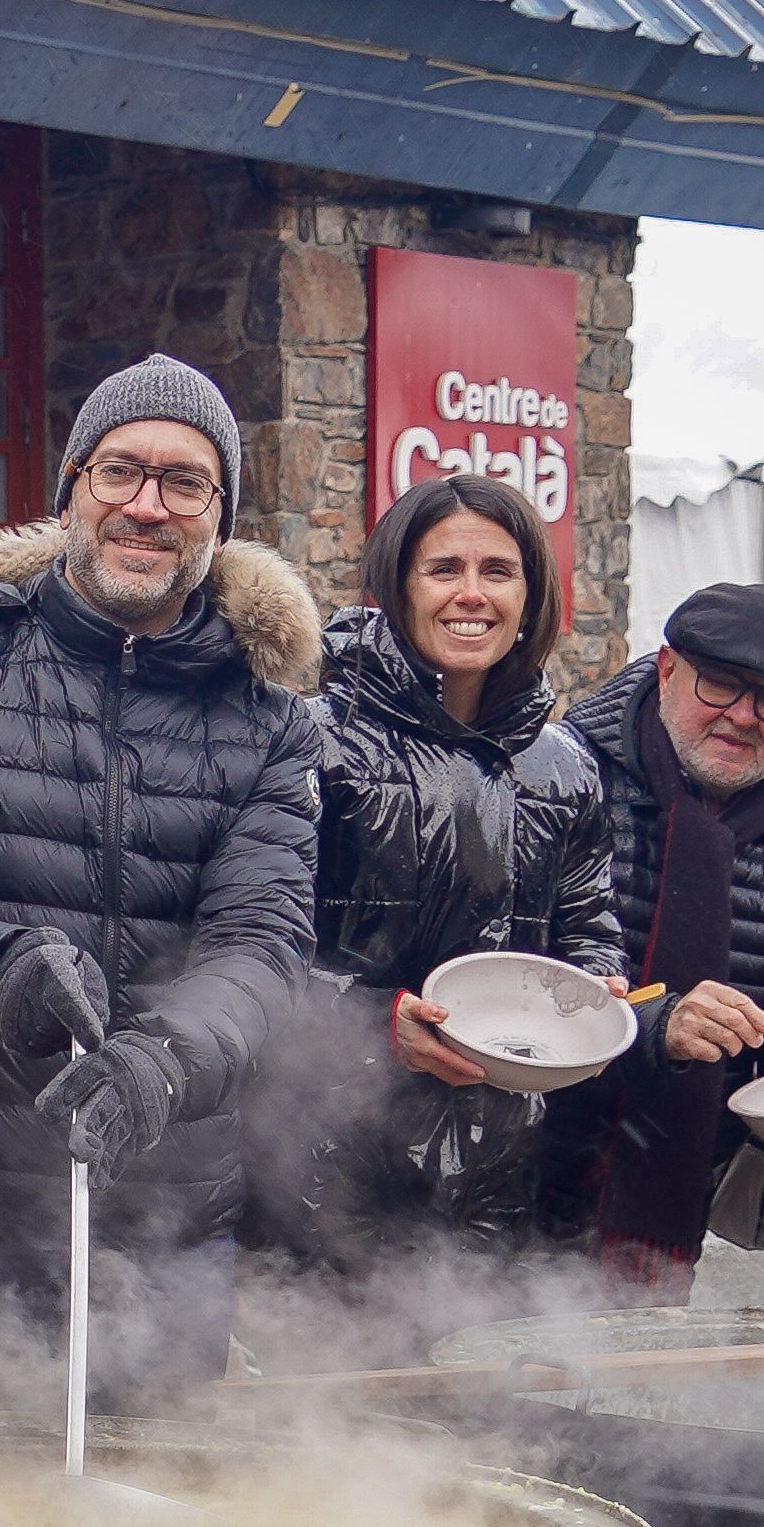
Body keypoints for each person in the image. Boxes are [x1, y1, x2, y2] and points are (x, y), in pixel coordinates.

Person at [0, 352, 325, 1393]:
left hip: (177, 1206)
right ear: (72, 487)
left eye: (184, 482)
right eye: (119, 471)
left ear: (220, 515)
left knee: (162, 1526)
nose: (146, 507)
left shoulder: (269, 720)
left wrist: (166, 1057)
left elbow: (263, 943)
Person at [253, 469, 618, 1289]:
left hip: (500, 1166)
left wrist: (596, 995)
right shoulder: (312, 741)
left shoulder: (565, 767)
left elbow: (590, 931)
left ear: (533, 593)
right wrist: (375, 1023)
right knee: (321, 1409)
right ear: (397, 583)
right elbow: (254, 949)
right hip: (321, 1157)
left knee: (466, 1400)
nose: (472, 595)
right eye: (443, 569)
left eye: (498, 571)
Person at [544, 581, 764, 1293]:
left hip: (674, 1215)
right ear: (666, 669)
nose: (744, 717)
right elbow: (510, 973)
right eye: (720, 685)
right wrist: (656, 1024)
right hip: (522, 1190)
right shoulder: (559, 779)